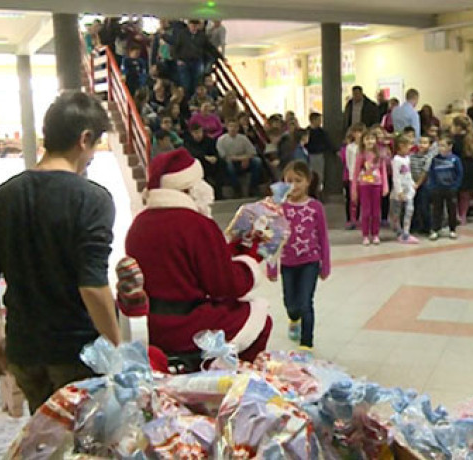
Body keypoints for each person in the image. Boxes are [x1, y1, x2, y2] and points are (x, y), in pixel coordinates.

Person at [0, 92, 119, 413]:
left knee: (45, 440)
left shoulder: (5, 195)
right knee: (86, 444)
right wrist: (118, 347)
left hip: (25, 353)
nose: (92, 156)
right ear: (85, 138)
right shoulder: (92, 199)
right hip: (77, 354)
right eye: (95, 146)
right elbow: (92, 286)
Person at [125, 148, 272, 363]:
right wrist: (250, 260)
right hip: (187, 325)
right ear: (190, 188)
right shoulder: (197, 224)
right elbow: (225, 285)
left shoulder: (139, 224)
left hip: (151, 322)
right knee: (260, 318)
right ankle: (235, 379)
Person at [267, 161, 331, 352]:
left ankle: (306, 345)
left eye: (298, 181)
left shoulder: (316, 207)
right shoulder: (279, 208)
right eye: (289, 181)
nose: (293, 186)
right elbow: (273, 238)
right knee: (290, 303)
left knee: (305, 303)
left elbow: (323, 237)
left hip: (310, 261)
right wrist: (271, 265)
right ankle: (293, 318)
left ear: (308, 182)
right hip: (287, 262)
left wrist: (325, 264)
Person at [352, 132, 388, 245]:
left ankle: (375, 234)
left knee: (376, 212)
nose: (370, 141)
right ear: (363, 141)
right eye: (367, 139)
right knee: (366, 212)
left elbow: (383, 172)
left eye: (372, 139)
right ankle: (365, 235)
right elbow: (356, 173)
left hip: (377, 185)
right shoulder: (360, 155)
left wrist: (385, 186)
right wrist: (354, 189)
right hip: (364, 186)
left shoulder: (379, 155)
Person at [428, 136, 463, 241]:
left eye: (443, 145)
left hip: (450, 188)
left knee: (451, 209)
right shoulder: (435, 159)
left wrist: (455, 186)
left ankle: (452, 229)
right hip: (438, 188)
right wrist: (433, 185)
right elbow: (432, 173)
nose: (440, 148)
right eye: (439, 145)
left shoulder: (455, 159)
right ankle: (435, 229)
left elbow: (459, 173)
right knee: (436, 210)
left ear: (450, 146)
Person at [451, 116, 473, 225]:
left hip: (458, 166)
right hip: (471, 167)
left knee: (455, 193)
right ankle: (463, 215)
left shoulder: (455, 139)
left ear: (458, 127)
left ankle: (455, 215)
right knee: (465, 194)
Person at [217, 118, 262, 197]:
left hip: (244, 161)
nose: (233, 128)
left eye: (235, 126)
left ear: (238, 128)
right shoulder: (221, 140)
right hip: (231, 162)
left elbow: (252, 152)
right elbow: (224, 156)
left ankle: (253, 187)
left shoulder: (243, 138)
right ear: (227, 127)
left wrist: (246, 158)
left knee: (257, 161)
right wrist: (242, 158)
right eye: (231, 126)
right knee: (229, 165)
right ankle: (236, 188)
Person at [390, 135, 419, 244]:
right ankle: (399, 232)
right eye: (408, 145)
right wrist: (399, 191)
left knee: (409, 210)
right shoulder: (396, 160)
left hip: (408, 190)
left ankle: (406, 232)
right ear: (401, 146)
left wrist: (412, 183)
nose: (410, 148)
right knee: (397, 212)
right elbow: (396, 177)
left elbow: (408, 173)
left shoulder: (407, 158)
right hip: (399, 192)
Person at [172, 19, 214, 96]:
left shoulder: (202, 36)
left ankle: (194, 99)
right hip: (184, 62)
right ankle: (187, 101)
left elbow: (210, 47)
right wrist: (177, 59)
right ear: (189, 25)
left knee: (196, 83)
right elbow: (175, 48)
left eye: (195, 25)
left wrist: (221, 57)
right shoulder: (182, 34)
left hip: (197, 61)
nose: (194, 27)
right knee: (185, 84)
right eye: (192, 25)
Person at [183, 122, 221, 197]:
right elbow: (192, 154)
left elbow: (214, 152)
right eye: (196, 133)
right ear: (192, 133)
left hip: (210, 164)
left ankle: (219, 192)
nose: (198, 135)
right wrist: (205, 157)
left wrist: (215, 157)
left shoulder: (208, 140)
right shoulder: (188, 142)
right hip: (197, 164)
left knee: (221, 164)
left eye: (200, 132)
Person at [341, 124, 365, 230]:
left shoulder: (365, 147)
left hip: (364, 176)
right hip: (352, 176)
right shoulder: (350, 147)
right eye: (356, 132)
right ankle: (351, 219)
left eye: (360, 132)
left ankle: (359, 219)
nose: (358, 135)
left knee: (361, 199)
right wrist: (352, 176)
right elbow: (349, 162)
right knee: (352, 199)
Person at [411, 136, 435, 235]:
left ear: (429, 145)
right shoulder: (412, 156)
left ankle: (428, 227)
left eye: (425, 143)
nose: (422, 145)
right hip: (412, 184)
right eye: (420, 142)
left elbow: (425, 172)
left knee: (424, 206)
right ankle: (414, 226)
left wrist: (418, 184)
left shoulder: (429, 157)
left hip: (425, 185)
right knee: (413, 206)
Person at [306, 112, 334, 191]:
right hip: (309, 155)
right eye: (319, 120)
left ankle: (318, 190)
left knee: (319, 174)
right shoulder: (307, 132)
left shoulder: (322, 132)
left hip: (319, 155)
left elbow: (328, 142)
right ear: (313, 120)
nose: (320, 122)